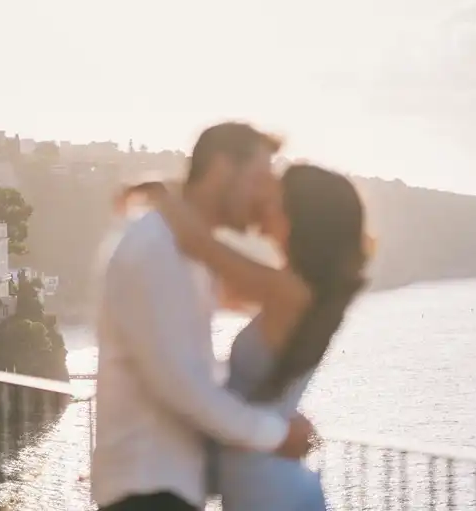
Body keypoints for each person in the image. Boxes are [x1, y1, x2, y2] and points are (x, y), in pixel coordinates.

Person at [91, 122, 316, 511]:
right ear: (222, 168)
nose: (265, 194)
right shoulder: (155, 249)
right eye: (259, 177)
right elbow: (184, 385)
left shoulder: (186, 252)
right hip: (147, 491)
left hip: (166, 488)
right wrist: (275, 434)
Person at [148, 163, 369, 510]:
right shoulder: (300, 291)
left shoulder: (288, 292)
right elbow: (214, 291)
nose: (265, 204)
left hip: (268, 488)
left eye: (276, 200)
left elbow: (201, 245)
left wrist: (159, 191)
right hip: (269, 478)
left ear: (300, 217)